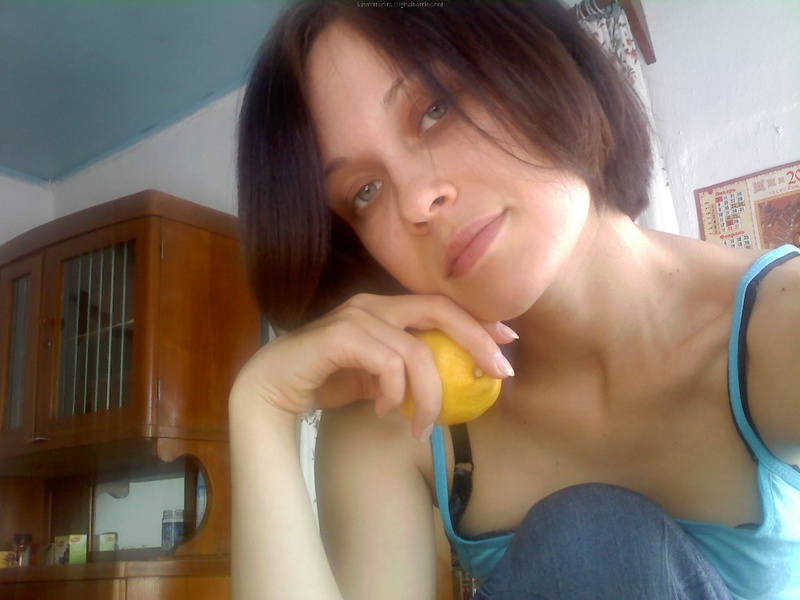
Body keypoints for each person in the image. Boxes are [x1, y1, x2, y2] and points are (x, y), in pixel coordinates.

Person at [229, 1, 800, 598]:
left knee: (592, 539)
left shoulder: (778, 326)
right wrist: (261, 407)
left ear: (533, 63)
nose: (417, 201)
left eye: (435, 108)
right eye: (365, 191)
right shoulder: (401, 412)